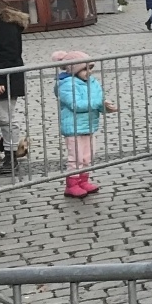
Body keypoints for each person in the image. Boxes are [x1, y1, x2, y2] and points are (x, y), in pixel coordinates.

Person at [52, 50, 116, 198]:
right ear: (74, 70)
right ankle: (72, 185)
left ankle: (83, 180)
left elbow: (98, 100)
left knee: (88, 156)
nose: (89, 72)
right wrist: (98, 103)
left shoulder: (93, 83)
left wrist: (105, 107)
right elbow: (76, 104)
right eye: (85, 69)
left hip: (89, 125)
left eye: (91, 68)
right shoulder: (67, 84)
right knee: (76, 157)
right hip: (74, 127)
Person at [0, 0, 29, 169]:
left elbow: (9, 54)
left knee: (4, 118)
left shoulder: (5, 24)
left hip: (2, 79)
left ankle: (11, 156)